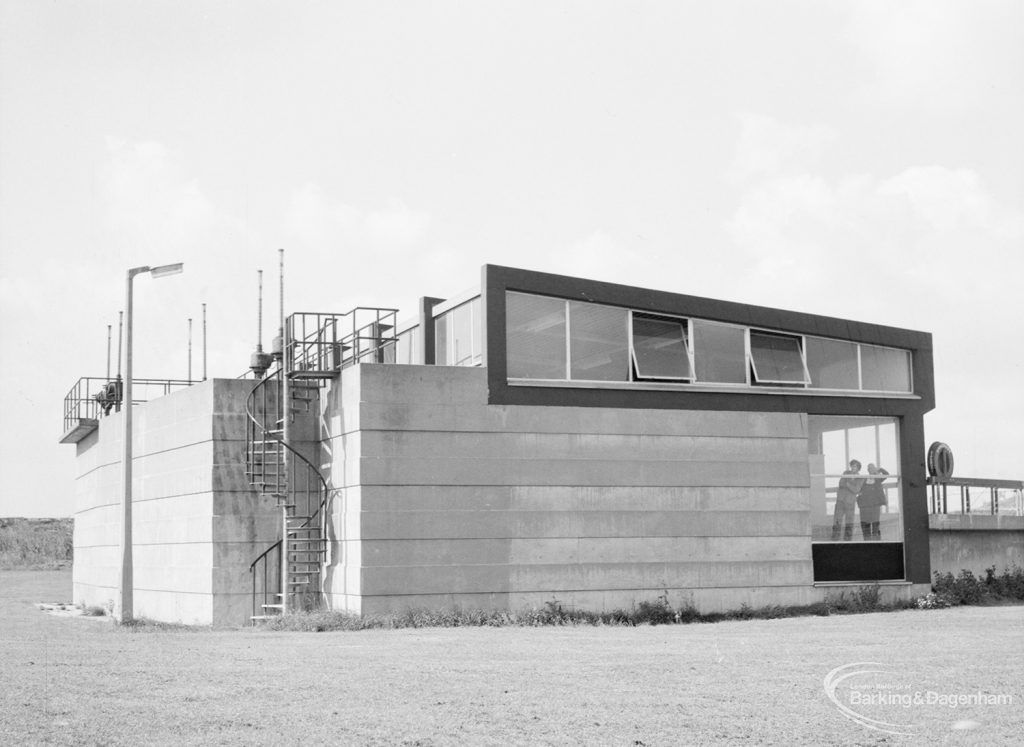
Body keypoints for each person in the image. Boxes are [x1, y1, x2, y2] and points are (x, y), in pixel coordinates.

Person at [832, 459, 865, 541]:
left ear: (858, 468)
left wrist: (848, 484)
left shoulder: (861, 478)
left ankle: (847, 540)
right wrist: (850, 485)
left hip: (850, 502)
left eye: (855, 466)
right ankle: (835, 539)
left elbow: (856, 490)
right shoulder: (846, 473)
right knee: (837, 520)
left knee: (849, 521)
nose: (853, 467)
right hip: (840, 500)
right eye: (852, 466)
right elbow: (841, 483)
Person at [857, 464, 889, 541]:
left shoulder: (878, 478)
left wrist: (880, 469)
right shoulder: (864, 479)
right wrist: (859, 493)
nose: (871, 470)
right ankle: (867, 541)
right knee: (865, 524)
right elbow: (857, 487)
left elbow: (886, 474)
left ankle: (876, 542)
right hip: (864, 506)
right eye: (869, 468)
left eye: (873, 468)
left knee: (875, 524)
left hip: (875, 505)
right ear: (868, 470)